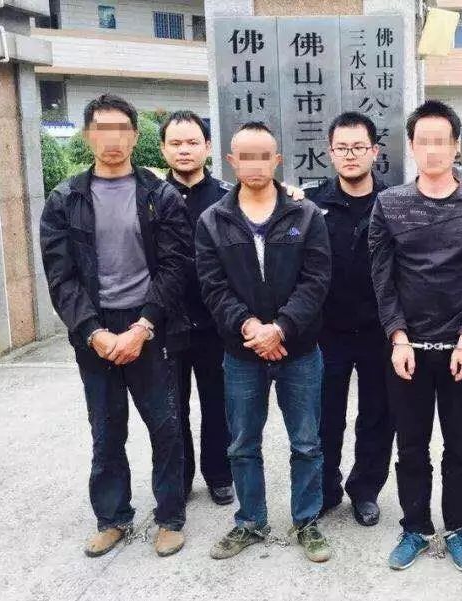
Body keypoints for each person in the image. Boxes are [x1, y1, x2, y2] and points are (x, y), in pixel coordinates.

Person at [39, 94, 191, 558]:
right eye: (102, 128)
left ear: (134, 135)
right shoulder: (66, 199)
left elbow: (176, 266)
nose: (112, 138)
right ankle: (112, 517)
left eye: (121, 129)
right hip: (96, 330)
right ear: (88, 135)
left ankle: (170, 517)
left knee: (165, 426)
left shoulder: (159, 195)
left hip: (150, 325)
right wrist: (93, 331)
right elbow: (61, 277)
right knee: (106, 430)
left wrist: (143, 326)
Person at [370, 100, 462, 573]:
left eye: (441, 141)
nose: (432, 150)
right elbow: (382, 277)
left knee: (460, 445)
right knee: (410, 445)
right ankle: (414, 526)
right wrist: (397, 337)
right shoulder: (390, 204)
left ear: (456, 146)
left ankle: (458, 528)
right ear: (411, 146)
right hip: (407, 349)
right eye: (423, 141)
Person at [196, 122, 334, 563]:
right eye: (245, 156)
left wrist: (281, 328)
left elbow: (316, 280)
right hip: (242, 354)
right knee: (242, 444)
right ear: (231, 161)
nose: (254, 164)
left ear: (276, 160)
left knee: (307, 442)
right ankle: (251, 521)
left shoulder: (305, 215)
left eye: (263, 155)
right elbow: (212, 286)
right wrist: (252, 328)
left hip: (299, 351)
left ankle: (306, 521)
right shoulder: (213, 220)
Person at [303, 111, 395, 527]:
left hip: (380, 330)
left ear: (374, 151)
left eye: (359, 147)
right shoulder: (310, 204)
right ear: (330, 152)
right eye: (342, 148)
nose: (351, 155)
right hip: (327, 331)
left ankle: (365, 491)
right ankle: (325, 489)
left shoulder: (394, 202)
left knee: (377, 416)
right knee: (325, 416)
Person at [158, 110, 235, 506]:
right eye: (175, 143)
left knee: (218, 403)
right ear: (163, 149)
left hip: (216, 323)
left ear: (207, 147)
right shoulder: (150, 198)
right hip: (166, 322)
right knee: (172, 407)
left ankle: (220, 474)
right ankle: (181, 477)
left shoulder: (228, 197)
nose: (184, 150)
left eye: (192, 142)